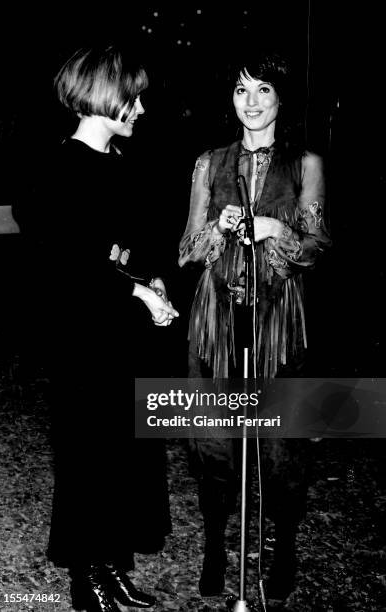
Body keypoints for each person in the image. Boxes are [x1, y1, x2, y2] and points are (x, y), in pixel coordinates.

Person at [14, 45, 179, 612]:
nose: (141, 109)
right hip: (83, 339)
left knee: (124, 457)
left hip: (122, 336)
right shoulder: (54, 170)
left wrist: (152, 280)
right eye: (133, 97)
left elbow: (131, 243)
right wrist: (132, 289)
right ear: (105, 95)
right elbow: (62, 267)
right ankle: (88, 582)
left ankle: (114, 568)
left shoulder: (119, 165)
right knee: (89, 458)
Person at [179, 51, 331, 602]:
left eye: (263, 90)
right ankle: (215, 547)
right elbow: (186, 249)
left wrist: (272, 227)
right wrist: (219, 232)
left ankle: (282, 546)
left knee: (281, 448)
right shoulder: (209, 162)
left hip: (278, 322)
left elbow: (317, 247)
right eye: (242, 90)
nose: (251, 102)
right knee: (215, 445)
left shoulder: (305, 163)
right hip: (217, 319)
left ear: (282, 99)